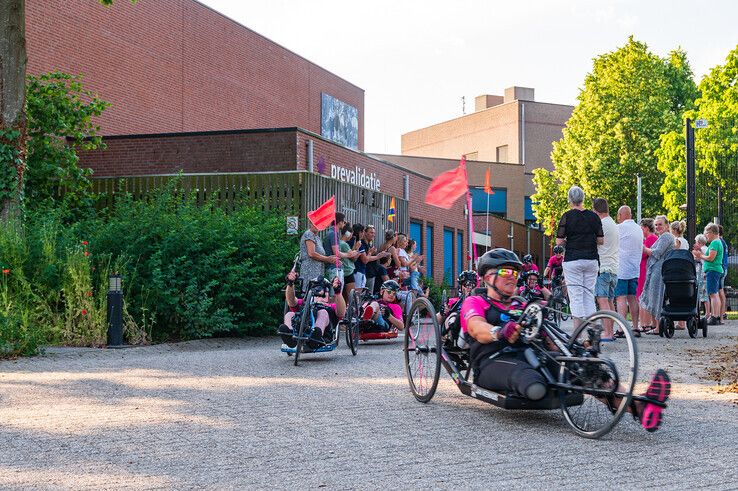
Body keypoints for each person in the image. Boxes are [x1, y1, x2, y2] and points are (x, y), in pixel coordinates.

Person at [462, 248, 672, 432]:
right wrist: (499, 332)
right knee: (533, 386)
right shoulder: (476, 301)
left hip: (532, 356)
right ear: (488, 277)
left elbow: (547, 337)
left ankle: (640, 406)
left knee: (584, 370)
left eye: (515, 272)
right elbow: (475, 326)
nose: (513, 277)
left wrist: (578, 351)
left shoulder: (522, 304)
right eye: (506, 272)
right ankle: (543, 383)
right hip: (493, 360)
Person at [556, 186, 603, 328]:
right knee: (588, 294)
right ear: (582, 199)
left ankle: (579, 336)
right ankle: (592, 332)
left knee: (576, 297)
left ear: (570, 199)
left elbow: (559, 241)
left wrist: (570, 241)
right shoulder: (594, 216)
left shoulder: (567, 216)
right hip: (591, 259)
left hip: (573, 259)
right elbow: (601, 240)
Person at [279, 271, 346, 348]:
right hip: (302, 328)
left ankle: (315, 337)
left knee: (323, 313)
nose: (320, 292)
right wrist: (290, 283)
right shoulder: (304, 303)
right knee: (289, 314)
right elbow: (291, 301)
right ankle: (290, 338)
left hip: (323, 334)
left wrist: (338, 292)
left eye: (323, 290)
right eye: (316, 289)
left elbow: (341, 313)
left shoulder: (331, 306)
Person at [639, 216, 675, 334]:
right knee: (655, 297)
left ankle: (658, 327)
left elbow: (658, 252)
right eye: (656, 225)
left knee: (657, 297)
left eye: (660, 224)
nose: (658, 227)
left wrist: (645, 249)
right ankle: (657, 326)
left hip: (660, 271)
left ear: (666, 225)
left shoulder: (666, 236)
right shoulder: (663, 237)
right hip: (657, 270)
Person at [593, 198, 619, 340]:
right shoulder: (613, 224)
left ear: (595, 211)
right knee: (609, 301)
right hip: (613, 268)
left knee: (602, 301)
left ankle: (608, 333)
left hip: (603, 267)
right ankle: (612, 331)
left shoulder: (601, 224)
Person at [615, 206, 642, 337]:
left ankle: (622, 329)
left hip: (622, 269)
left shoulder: (619, 228)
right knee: (632, 298)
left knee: (621, 298)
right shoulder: (639, 228)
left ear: (620, 215)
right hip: (634, 268)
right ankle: (636, 327)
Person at [694, 223, 724, 325]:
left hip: (713, 270)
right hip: (715, 270)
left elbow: (711, 258)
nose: (706, 236)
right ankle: (717, 316)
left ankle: (714, 316)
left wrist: (700, 255)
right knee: (715, 294)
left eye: (707, 233)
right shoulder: (718, 242)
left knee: (713, 294)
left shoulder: (715, 243)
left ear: (711, 232)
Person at [323, 213, 360, 291]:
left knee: (336, 294)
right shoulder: (333, 234)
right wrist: (349, 254)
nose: (344, 224)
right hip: (334, 268)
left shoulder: (333, 233)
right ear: (340, 222)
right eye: (343, 222)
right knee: (336, 294)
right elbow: (336, 253)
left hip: (334, 267)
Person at [299, 220, 337, 291]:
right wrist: (327, 259)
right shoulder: (309, 234)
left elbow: (321, 256)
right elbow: (311, 253)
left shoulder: (317, 237)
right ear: (310, 224)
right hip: (310, 271)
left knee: (317, 296)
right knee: (310, 295)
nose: (316, 225)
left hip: (317, 272)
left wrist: (332, 259)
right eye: (314, 223)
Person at [636, 218, 657, 300]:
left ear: (646, 228)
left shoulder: (651, 239)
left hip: (645, 269)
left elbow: (642, 254)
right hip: (645, 268)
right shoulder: (652, 238)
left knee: (641, 295)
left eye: (642, 229)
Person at [694, 234, 711, 320]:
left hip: (702, 274)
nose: (695, 244)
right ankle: (707, 313)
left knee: (704, 295)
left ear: (699, 242)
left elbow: (698, 258)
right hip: (702, 274)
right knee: (704, 295)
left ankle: (707, 313)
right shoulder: (706, 249)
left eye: (696, 242)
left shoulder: (703, 249)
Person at [718, 225, 729, 321]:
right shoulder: (724, 242)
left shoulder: (720, 242)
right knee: (720, 291)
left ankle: (721, 313)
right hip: (724, 268)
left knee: (719, 291)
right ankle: (722, 313)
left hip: (721, 268)